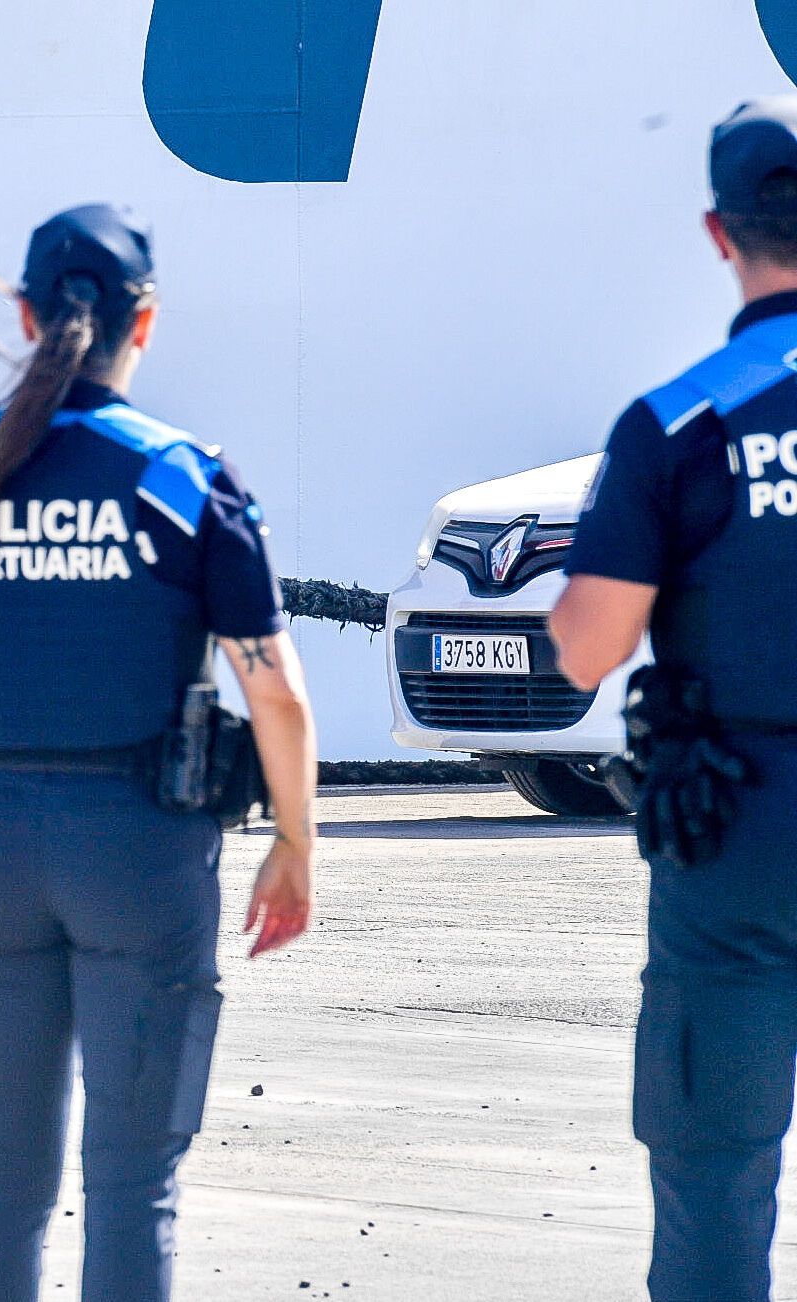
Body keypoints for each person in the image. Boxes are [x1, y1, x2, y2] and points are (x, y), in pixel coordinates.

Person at [0, 203, 318, 1302]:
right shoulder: (180, 477)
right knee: (133, 1184)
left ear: (26, 317)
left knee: (4, 1176)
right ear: (147, 320)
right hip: (137, 846)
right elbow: (274, 692)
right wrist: (294, 844)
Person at [552, 97, 797, 1302]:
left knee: (714, 1163)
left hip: (738, 830)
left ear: (719, 232)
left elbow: (587, 651)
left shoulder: (678, 424)